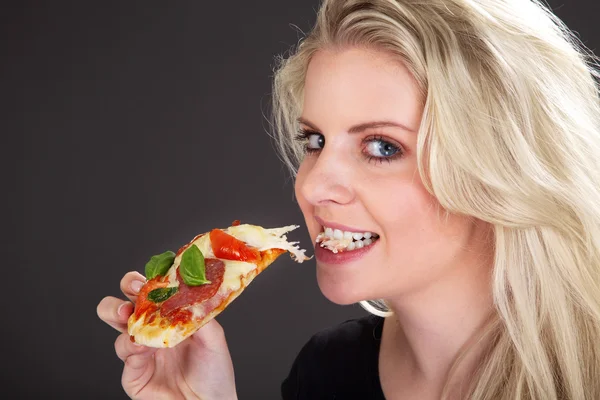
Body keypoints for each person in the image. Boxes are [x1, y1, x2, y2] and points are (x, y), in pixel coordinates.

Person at [96, 0, 600, 398]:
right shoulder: (324, 373)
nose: (312, 186)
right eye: (314, 141)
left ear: (504, 166)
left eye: (382, 147)